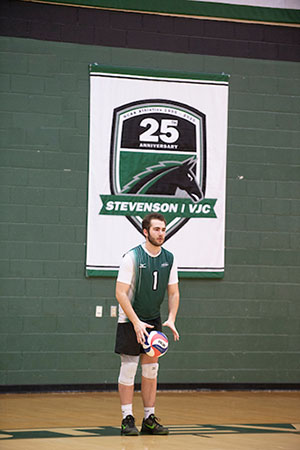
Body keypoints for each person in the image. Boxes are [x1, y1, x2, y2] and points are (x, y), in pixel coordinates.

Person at [114, 212, 180, 436]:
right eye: (156, 229)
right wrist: (135, 323)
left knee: (151, 370)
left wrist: (171, 317)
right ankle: (126, 418)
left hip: (153, 319)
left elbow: (174, 292)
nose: (161, 233)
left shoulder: (169, 258)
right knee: (129, 368)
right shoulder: (132, 257)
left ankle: (149, 418)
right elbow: (120, 293)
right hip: (130, 319)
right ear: (145, 231)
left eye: (163, 229)